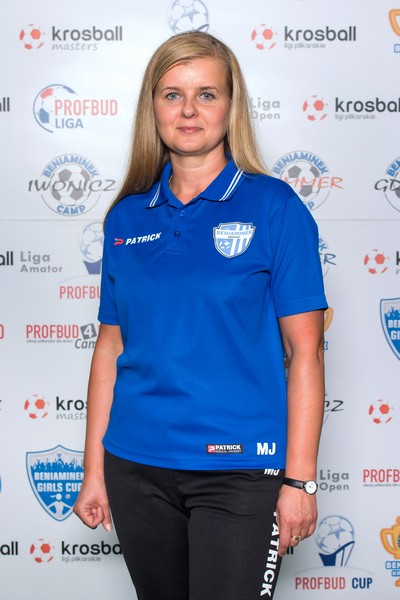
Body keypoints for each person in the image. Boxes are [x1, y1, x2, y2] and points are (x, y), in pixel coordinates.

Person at [74, 30, 327, 600]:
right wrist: (94, 470)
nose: (189, 110)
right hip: (135, 466)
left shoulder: (275, 207)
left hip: (240, 473)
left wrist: (300, 480)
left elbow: (306, 351)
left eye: (206, 94)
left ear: (230, 106)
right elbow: (111, 348)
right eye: (173, 94)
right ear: (153, 107)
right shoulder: (125, 217)